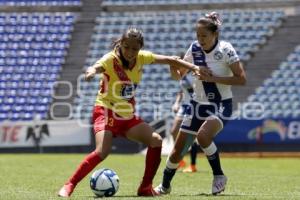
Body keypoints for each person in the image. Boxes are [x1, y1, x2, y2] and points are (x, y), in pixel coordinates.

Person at [57, 27, 211, 197]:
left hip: (127, 115)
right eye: (127, 47)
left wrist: (194, 67)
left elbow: (169, 59)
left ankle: (145, 187)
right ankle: (69, 184)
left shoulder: (141, 58)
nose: (130, 52)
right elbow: (97, 67)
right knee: (103, 151)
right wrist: (91, 71)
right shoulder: (110, 59)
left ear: (139, 48)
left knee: (156, 141)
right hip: (106, 110)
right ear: (121, 44)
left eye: (135, 48)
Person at [155, 12, 246, 195]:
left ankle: (219, 175)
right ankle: (164, 186)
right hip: (197, 105)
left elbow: (241, 79)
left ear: (215, 35)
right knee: (177, 151)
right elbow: (178, 76)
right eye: (198, 35)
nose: (200, 39)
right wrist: (173, 66)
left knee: (203, 137)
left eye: (204, 35)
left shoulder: (226, 49)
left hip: (221, 103)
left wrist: (213, 78)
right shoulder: (194, 48)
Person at [170, 72, 200, 173]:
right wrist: (176, 103)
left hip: (195, 106)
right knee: (174, 131)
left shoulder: (197, 73)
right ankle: (180, 159)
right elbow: (181, 90)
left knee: (193, 137)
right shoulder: (183, 75)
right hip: (184, 106)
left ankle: (192, 165)